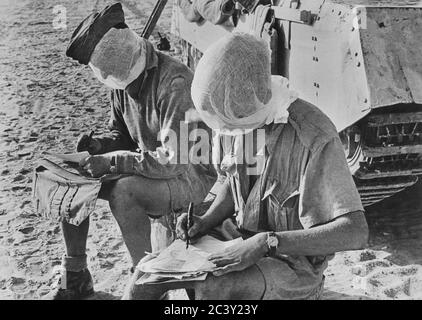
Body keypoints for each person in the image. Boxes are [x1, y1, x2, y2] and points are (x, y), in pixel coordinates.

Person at [125, 32, 369, 300]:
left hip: (290, 264)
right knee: (145, 278)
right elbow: (234, 184)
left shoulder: (314, 136)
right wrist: (205, 221)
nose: (226, 130)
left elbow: (355, 231)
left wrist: (268, 242)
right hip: (235, 239)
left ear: (243, 107)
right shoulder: (234, 115)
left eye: (229, 123)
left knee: (215, 287)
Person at [45, 3, 217, 300]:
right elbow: (121, 134)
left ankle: (149, 283)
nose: (130, 91)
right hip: (153, 165)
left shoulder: (175, 83)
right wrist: (100, 145)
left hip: (191, 176)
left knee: (124, 192)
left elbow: (174, 161)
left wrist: (112, 161)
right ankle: (75, 274)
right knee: (65, 177)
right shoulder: (121, 77)